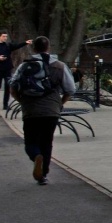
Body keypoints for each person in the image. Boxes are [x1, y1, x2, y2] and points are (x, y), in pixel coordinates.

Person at [9, 36, 75, 185]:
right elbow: (70, 89)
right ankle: (43, 174)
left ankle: (36, 156)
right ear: (48, 48)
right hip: (51, 110)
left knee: (30, 142)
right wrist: (59, 103)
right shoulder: (59, 66)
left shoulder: (24, 65)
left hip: (30, 109)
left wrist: (22, 101)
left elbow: (12, 87)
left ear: (33, 49)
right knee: (47, 142)